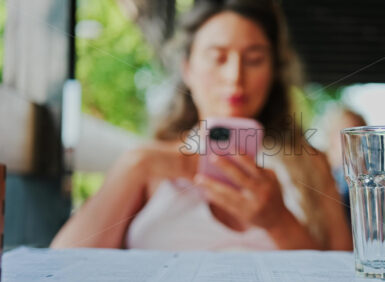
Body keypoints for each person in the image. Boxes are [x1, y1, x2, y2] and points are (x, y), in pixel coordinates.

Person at [51, 0, 352, 251]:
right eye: (217, 57)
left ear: (273, 71)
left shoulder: (312, 165)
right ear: (187, 70)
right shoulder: (149, 165)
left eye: (255, 59)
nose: (235, 76)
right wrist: (135, 164)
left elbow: (345, 273)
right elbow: (61, 266)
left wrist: (279, 222)